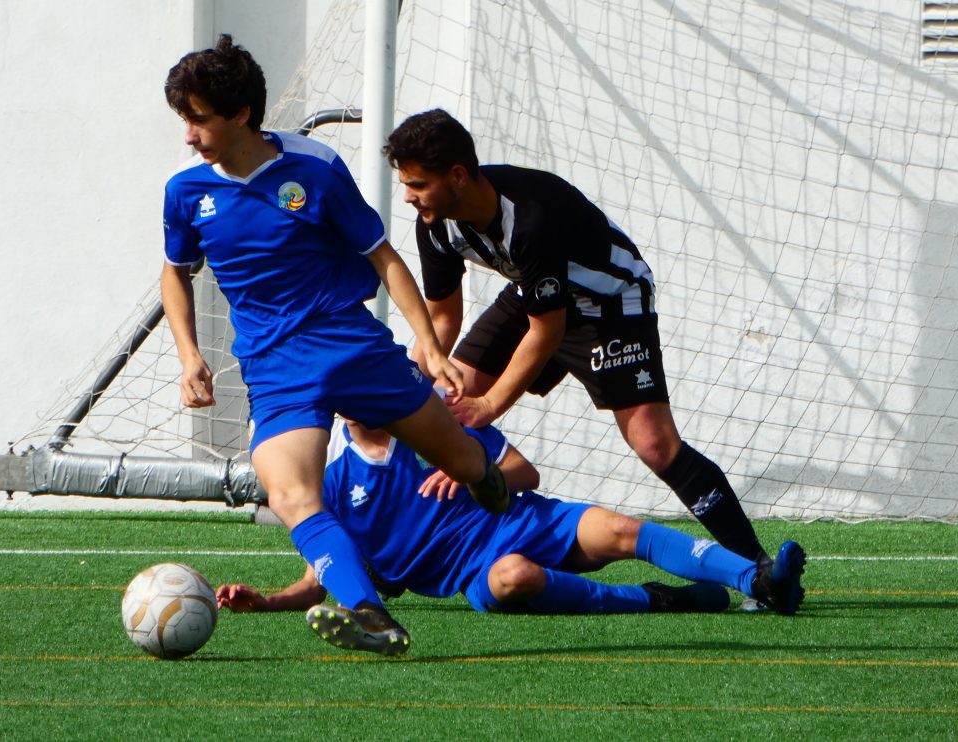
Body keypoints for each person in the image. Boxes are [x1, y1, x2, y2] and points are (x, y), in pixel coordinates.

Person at [159, 38, 508, 657]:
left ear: (240, 114)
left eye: (199, 119)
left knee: (463, 460)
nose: (188, 135)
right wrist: (189, 355)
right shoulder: (186, 192)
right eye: (184, 120)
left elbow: (384, 257)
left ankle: (486, 481)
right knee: (291, 495)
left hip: (352, 347)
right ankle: (369, 611)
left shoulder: (315, 168)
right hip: (274, 368)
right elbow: (174, 272)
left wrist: (428, 345)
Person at [381, 109, 776, 572]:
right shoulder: (436, 221)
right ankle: (397, 552)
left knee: (654, 444)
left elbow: (546, 332)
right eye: (406, 184)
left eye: (418, 185)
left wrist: (487, 407)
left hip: (610, 302)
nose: (407, 197)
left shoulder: (529, 219)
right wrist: (405, 386)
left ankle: (758, 567)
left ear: (459, 176)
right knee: (439, 404)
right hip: (536, 295)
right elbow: (443, 317)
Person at [215, 417, 807, 655]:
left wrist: (473, 472)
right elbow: (328, 569)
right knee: (513, 578)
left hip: (524, 518)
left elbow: (525, 470)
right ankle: (661, 598)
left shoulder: (439, 422)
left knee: (620, 527)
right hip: (477, 574)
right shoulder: (332, 480)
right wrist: (268, 601)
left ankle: (756, 579)